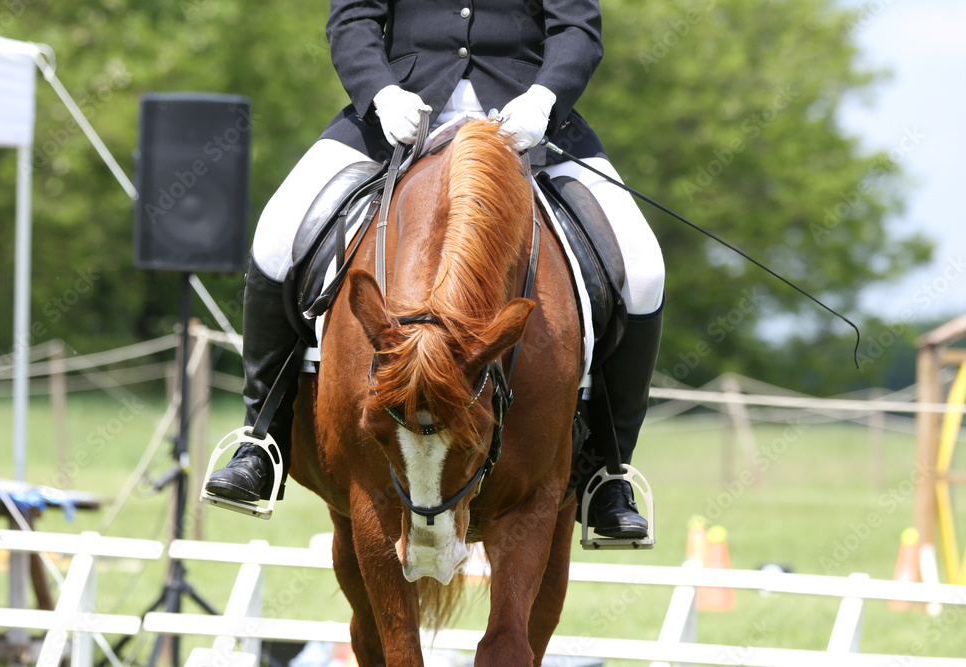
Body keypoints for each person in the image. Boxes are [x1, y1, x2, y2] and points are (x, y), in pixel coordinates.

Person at [204, 0, 665, 540]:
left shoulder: (538, 107)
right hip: (396, 118)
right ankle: (262, 439)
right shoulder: (388, 102)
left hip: (527, 124)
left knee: (643, 268)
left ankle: (609, 471)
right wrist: (381, 93)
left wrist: (544, 98)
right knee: (277, 234)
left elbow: (578, 27)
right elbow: (352, 17)